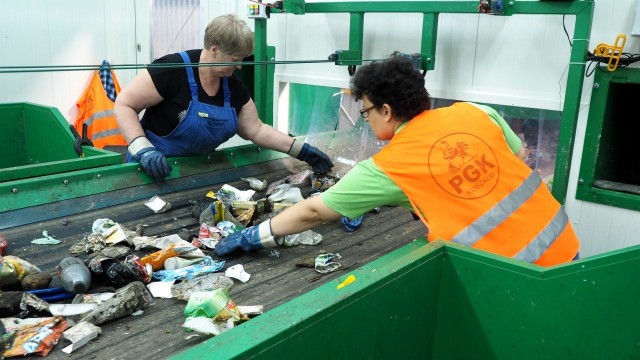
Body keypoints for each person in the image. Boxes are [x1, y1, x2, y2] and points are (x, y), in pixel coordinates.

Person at [215, 55, 580, 267]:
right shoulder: (476, 112)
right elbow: (514, 157)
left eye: (366, 111)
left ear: (386, 110)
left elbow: (314, 211)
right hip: (568, 246)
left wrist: (256, 234)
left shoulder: (393, 164)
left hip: (516, 272)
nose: (366, 119)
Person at [114, 14, 333, 179]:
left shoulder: (233, 87)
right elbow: (124, 105)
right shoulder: (171, 69)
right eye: (235, 59)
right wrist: (143, 150)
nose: (238, 66)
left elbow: (256, 130)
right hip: (150, 171)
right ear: (214, 49)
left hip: (194, 174)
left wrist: (302, 151)